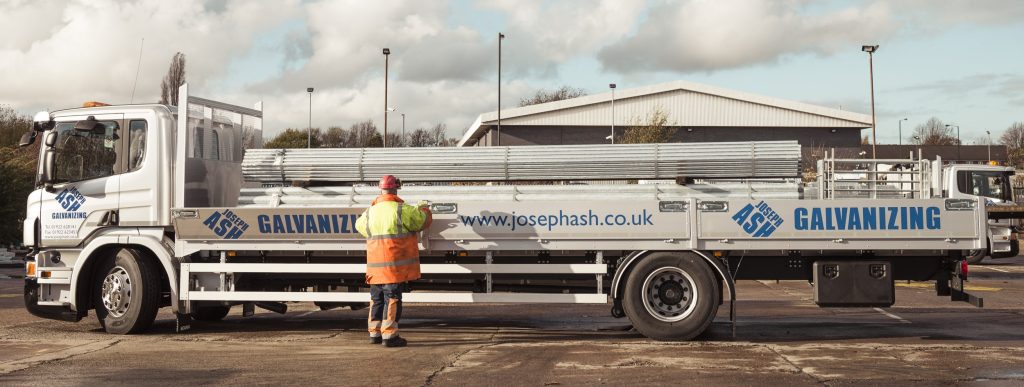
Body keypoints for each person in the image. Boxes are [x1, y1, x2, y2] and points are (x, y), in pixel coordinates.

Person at [355, 175, 432, 347]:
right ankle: (389, 336)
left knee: (377, 299)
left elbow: (359, 226)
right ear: (396, 189)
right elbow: (422, 221)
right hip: (393, 266)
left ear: (380, 189)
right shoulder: (401, 209)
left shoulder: (369, 212)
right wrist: (424, 208)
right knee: (392, 298)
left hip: (375, 267)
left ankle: (374, 334)